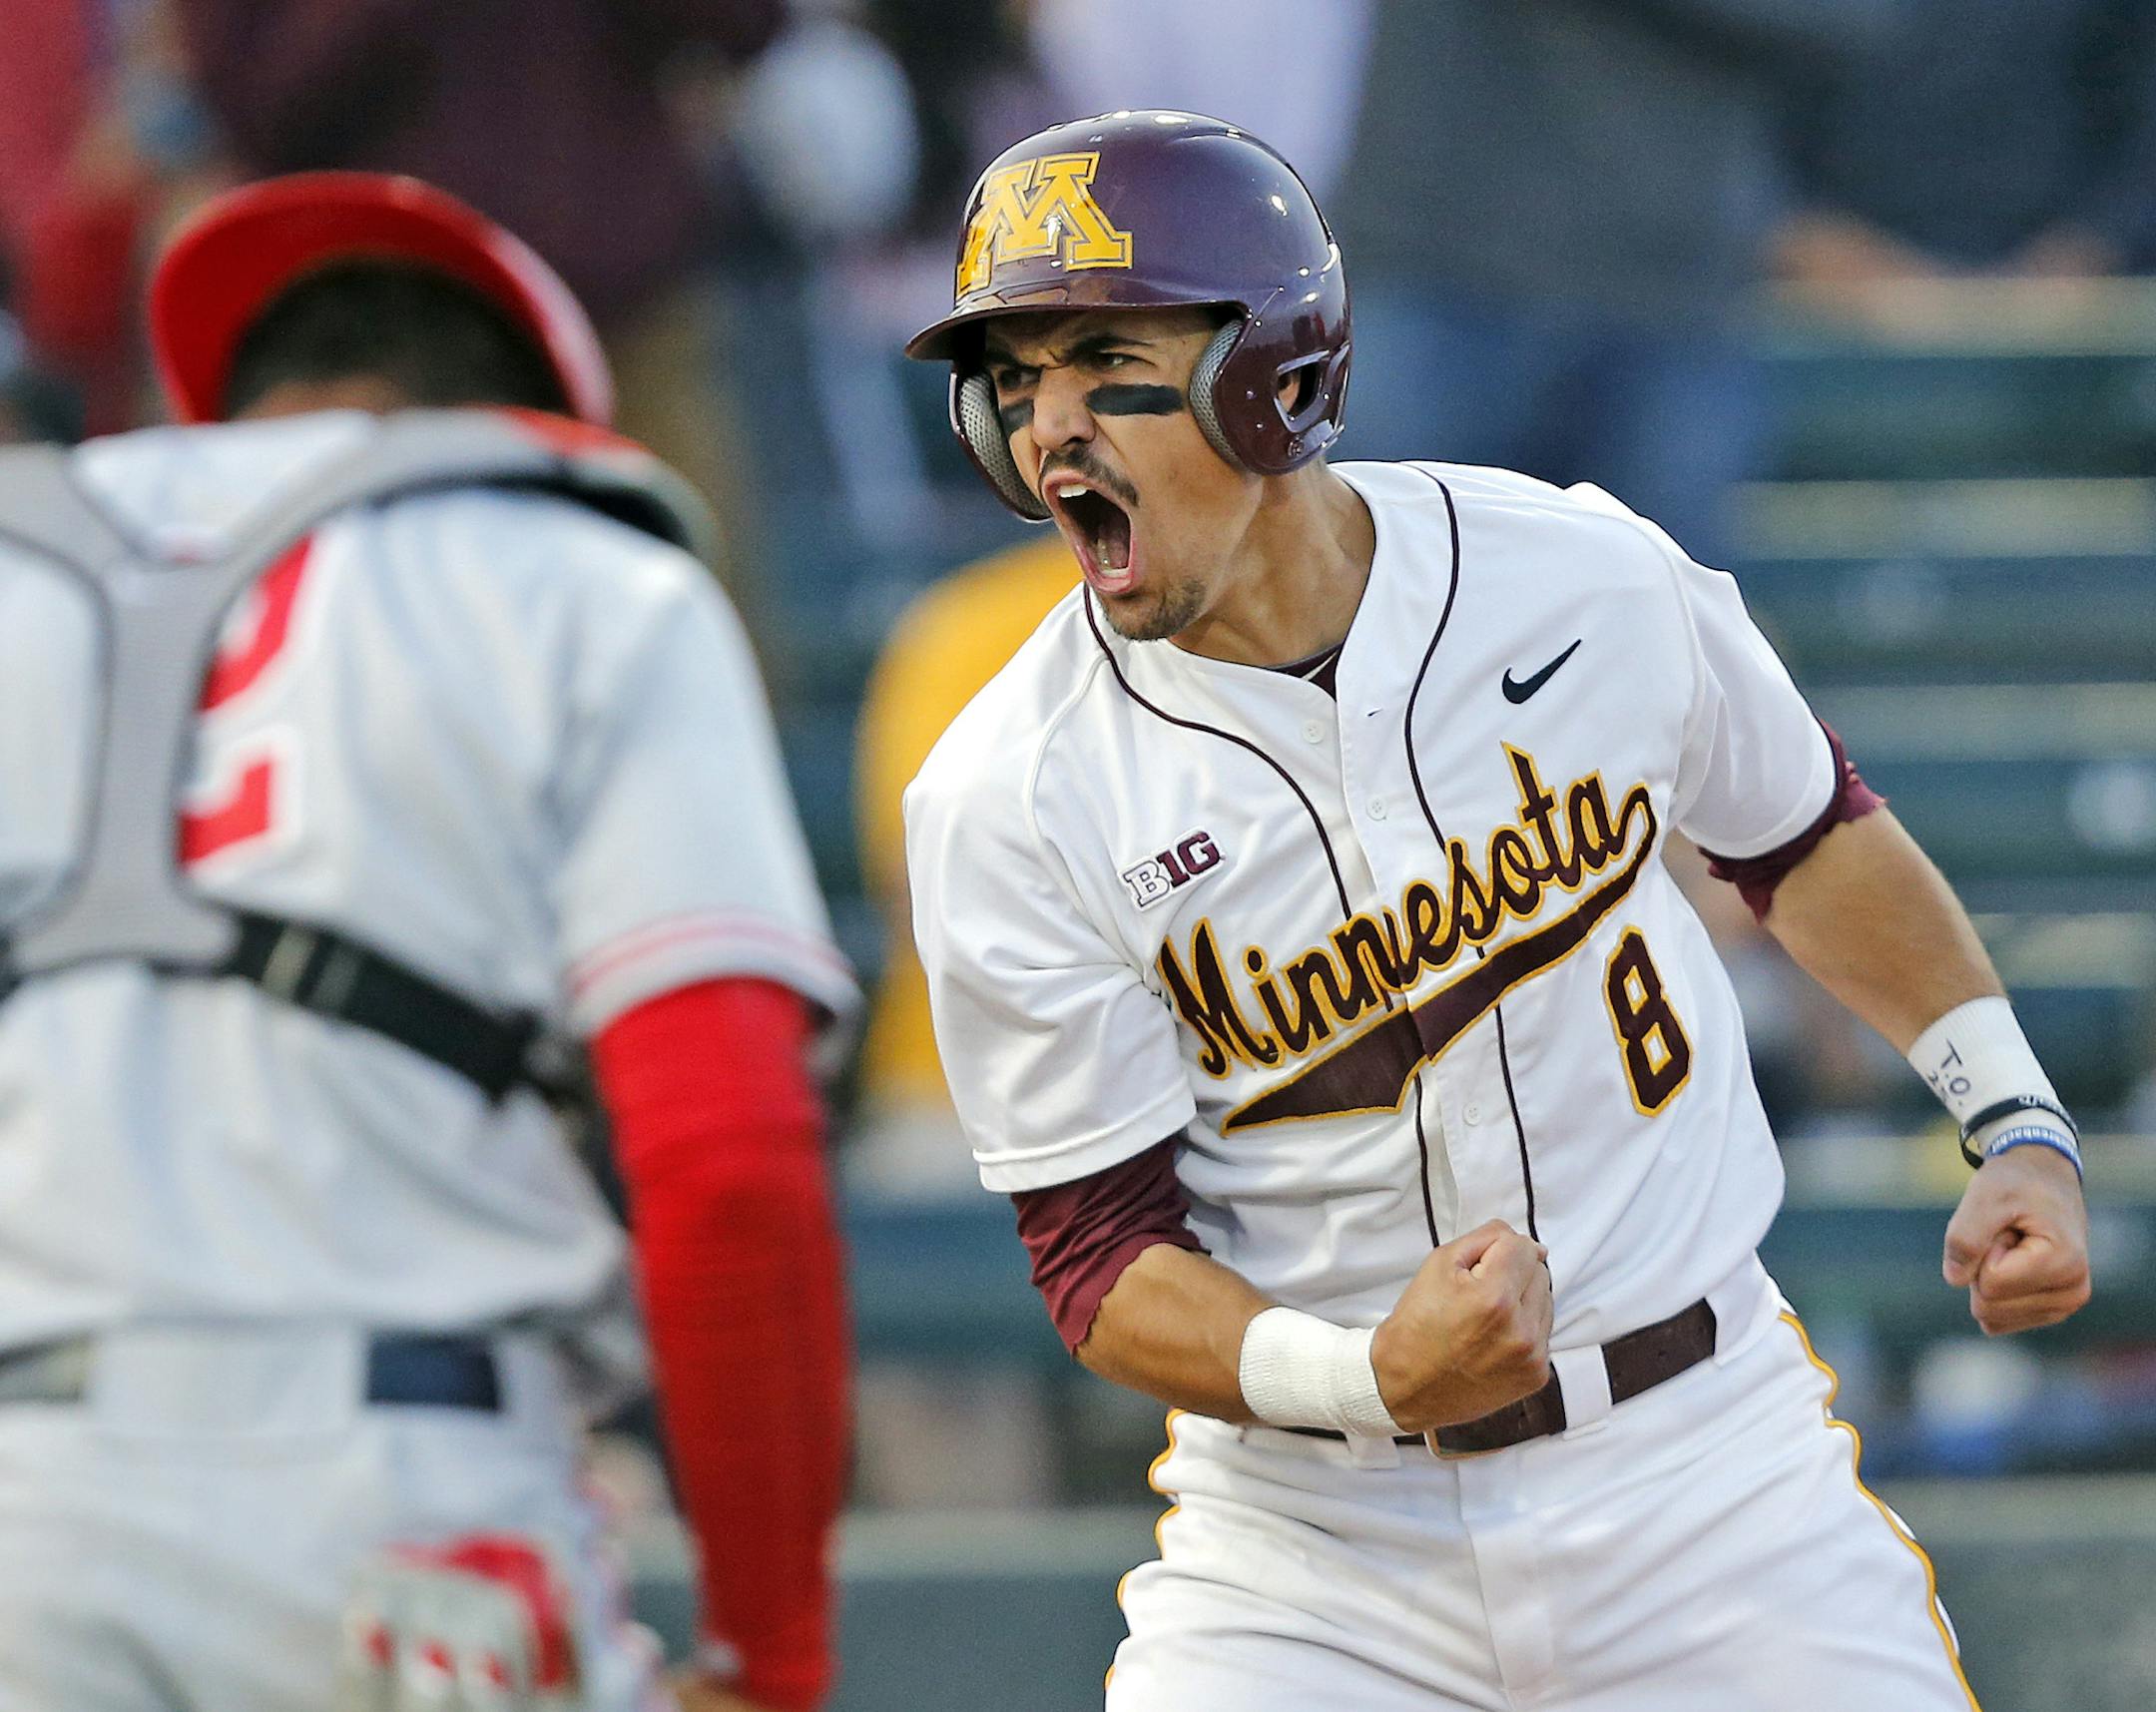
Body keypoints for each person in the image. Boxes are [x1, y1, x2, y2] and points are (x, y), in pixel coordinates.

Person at [901, 111, 2092, 1710]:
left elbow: (1805, 837)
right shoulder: (1008, 791)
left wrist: (2011, 1113)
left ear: (1277, 367)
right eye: (1014, 383)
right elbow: (1100, 1253)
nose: (1053, 430)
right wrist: (1364, 1379)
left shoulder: (1576, 575)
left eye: (1106, 357)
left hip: (1707, 1476)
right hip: (1315, 1551)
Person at [0, 172, 853, 1712]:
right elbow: (727, 1157)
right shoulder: (584, 577)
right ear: (527, 426)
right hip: (406, 1513)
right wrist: (770, 1650)